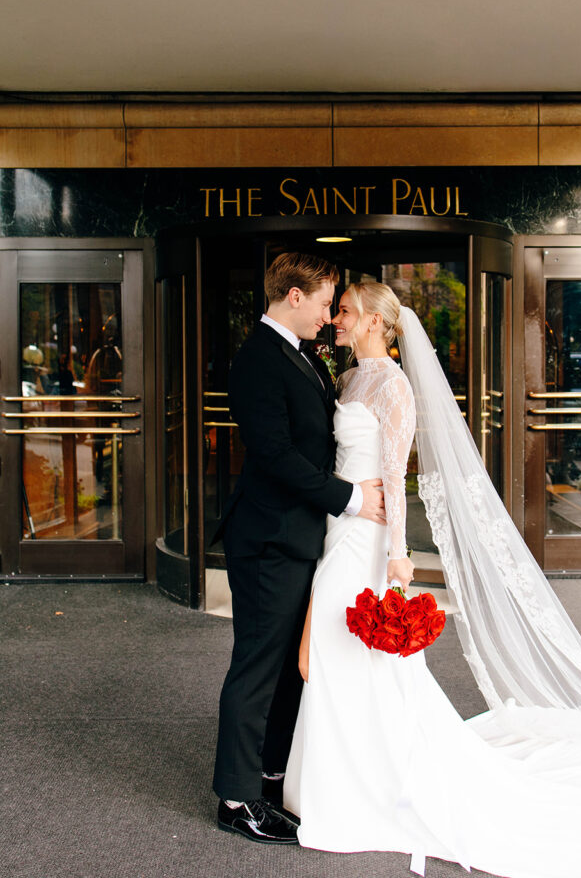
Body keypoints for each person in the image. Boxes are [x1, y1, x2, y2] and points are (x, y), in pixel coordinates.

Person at [284, 281, 581, 878]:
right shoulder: (348, 380)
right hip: (338, 527)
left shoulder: (394, 386)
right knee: (337, 655)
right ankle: (340, 776)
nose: (335, 319)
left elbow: (396, 476)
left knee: (348, 651)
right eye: (335, 310)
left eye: (343, 311)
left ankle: (363, 784)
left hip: (368, 542)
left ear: (372, 320)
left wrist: (399, 557)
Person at [212, 253, 386, 845]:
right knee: (257, 666)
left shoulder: (300, 354)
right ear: (292, 295)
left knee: (288, 663)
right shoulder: (259, 358)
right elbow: (276, 456)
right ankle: (236, 800)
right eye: (322, 303)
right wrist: (352, 501)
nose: (326, 315)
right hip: (267, 538)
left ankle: (267, 773)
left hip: (296, 535)